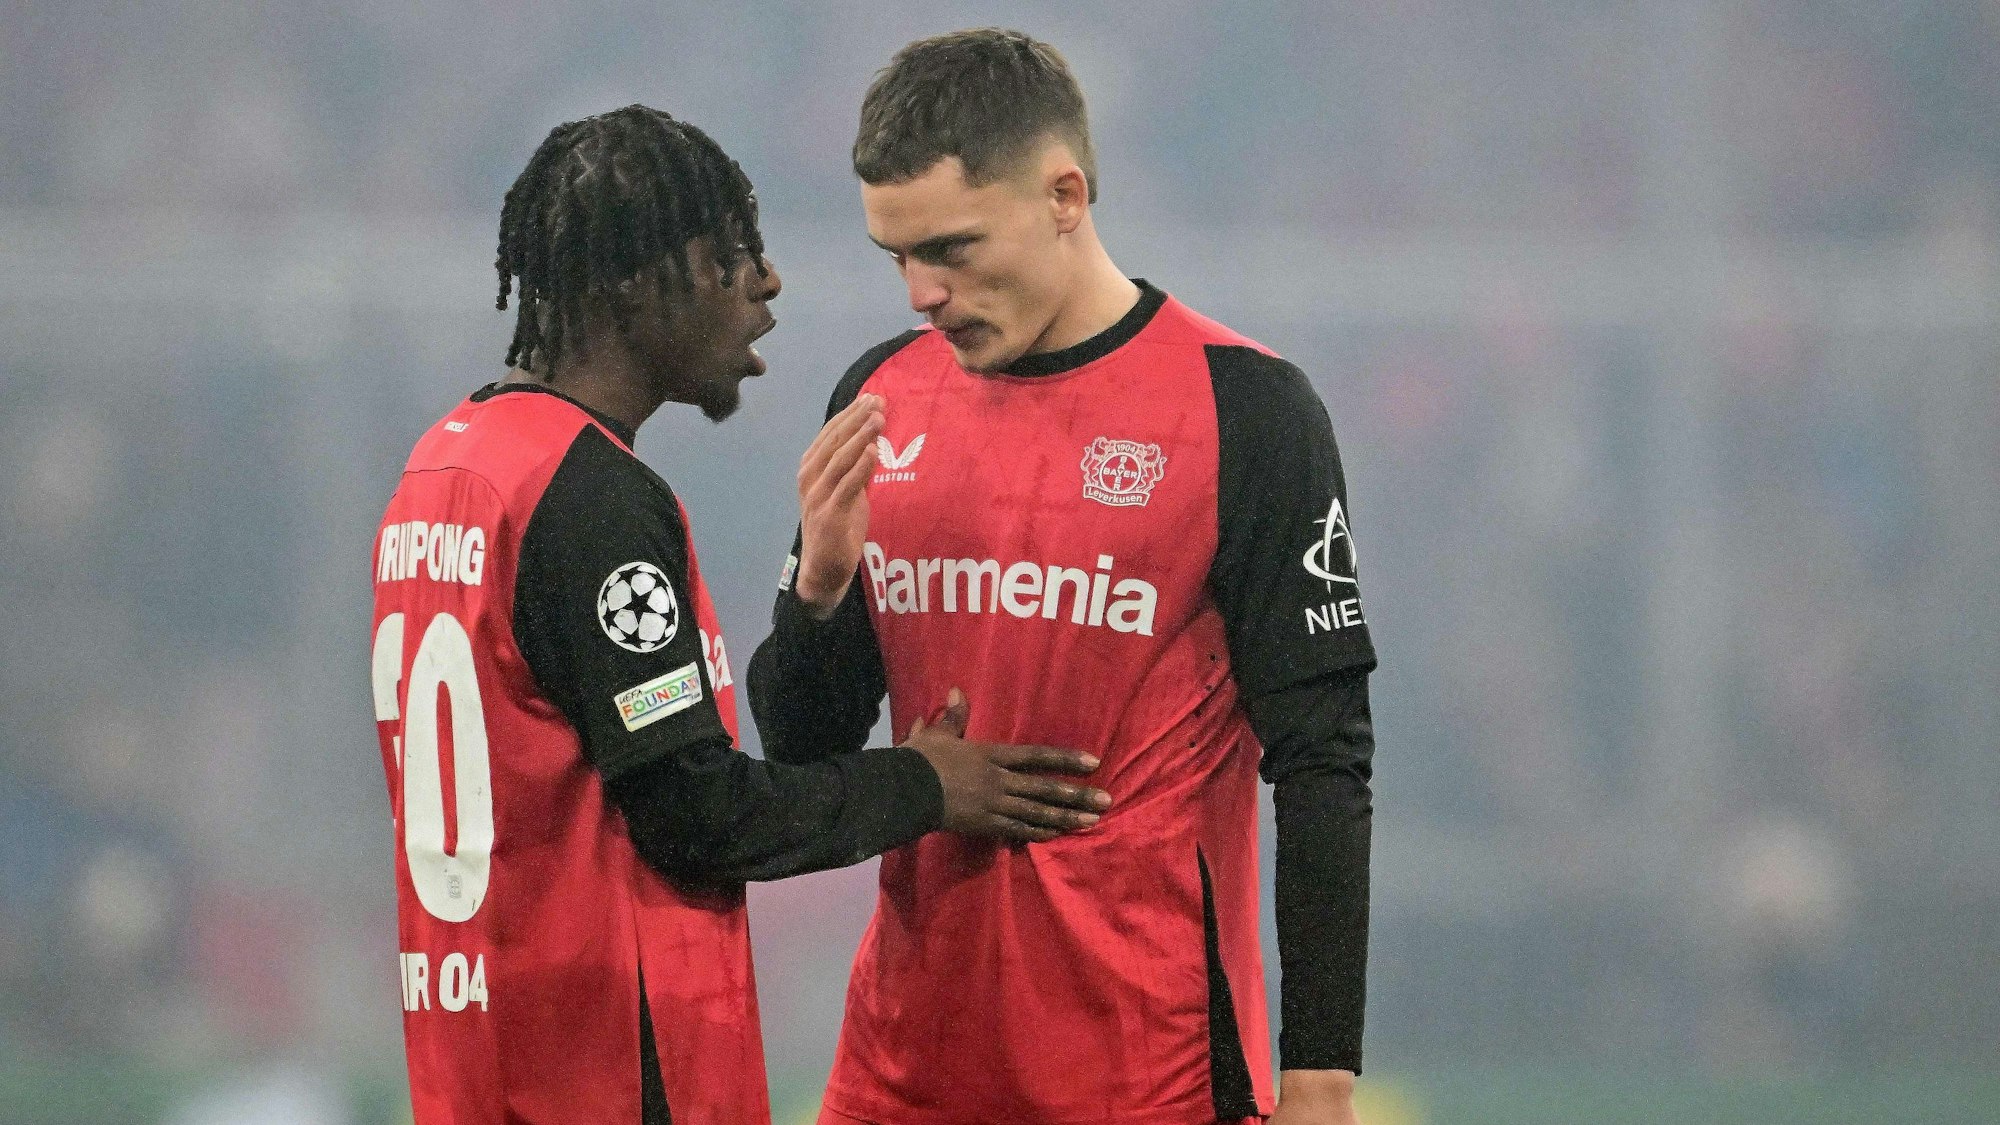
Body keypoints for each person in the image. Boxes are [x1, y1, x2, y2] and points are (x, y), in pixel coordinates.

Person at [367, 104, 1110, 1125]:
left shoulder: (444, 467)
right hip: (605, 1075)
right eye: (725, 263)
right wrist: (923, 784)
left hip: (477, 1058)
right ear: (633, 284)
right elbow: (695, 814)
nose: (763, 286)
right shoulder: (589, 498)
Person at [749, 30, 1378, 1125]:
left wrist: (1318, 1077)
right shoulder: (879, 398)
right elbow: (806, 754)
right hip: (899, 1076)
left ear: (1064, 194)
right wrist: (817, 594)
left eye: (949, 247)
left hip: (1149, 1077)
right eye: (893, 256)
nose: (921, 295)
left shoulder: (1247, 412)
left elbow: (1323, 761)